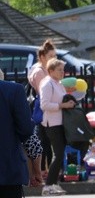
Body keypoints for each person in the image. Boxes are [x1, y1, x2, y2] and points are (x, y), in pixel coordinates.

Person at [39, 58, 78, 196]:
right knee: (58, 153)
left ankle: (54, 183)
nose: (62, 72)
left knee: (60, 154)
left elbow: (61, 99)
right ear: (50, 71)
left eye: (63, 69)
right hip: (52, 123)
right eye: (59, 70)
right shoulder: (47, 84)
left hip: (61, 122)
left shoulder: (58, 84)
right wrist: (63, 105)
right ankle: (48, 185)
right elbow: (44, 105)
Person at [27, 39, 57, 175]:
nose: (54, 59)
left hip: (49, 111)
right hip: (42, 112)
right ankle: (44, 172)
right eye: (51, 56)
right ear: (42, 57)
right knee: (44, 143)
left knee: (48, 143)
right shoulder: (39, 72)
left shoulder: (47, 70)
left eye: (55, 56)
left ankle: (48, 171)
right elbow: (43, 93)